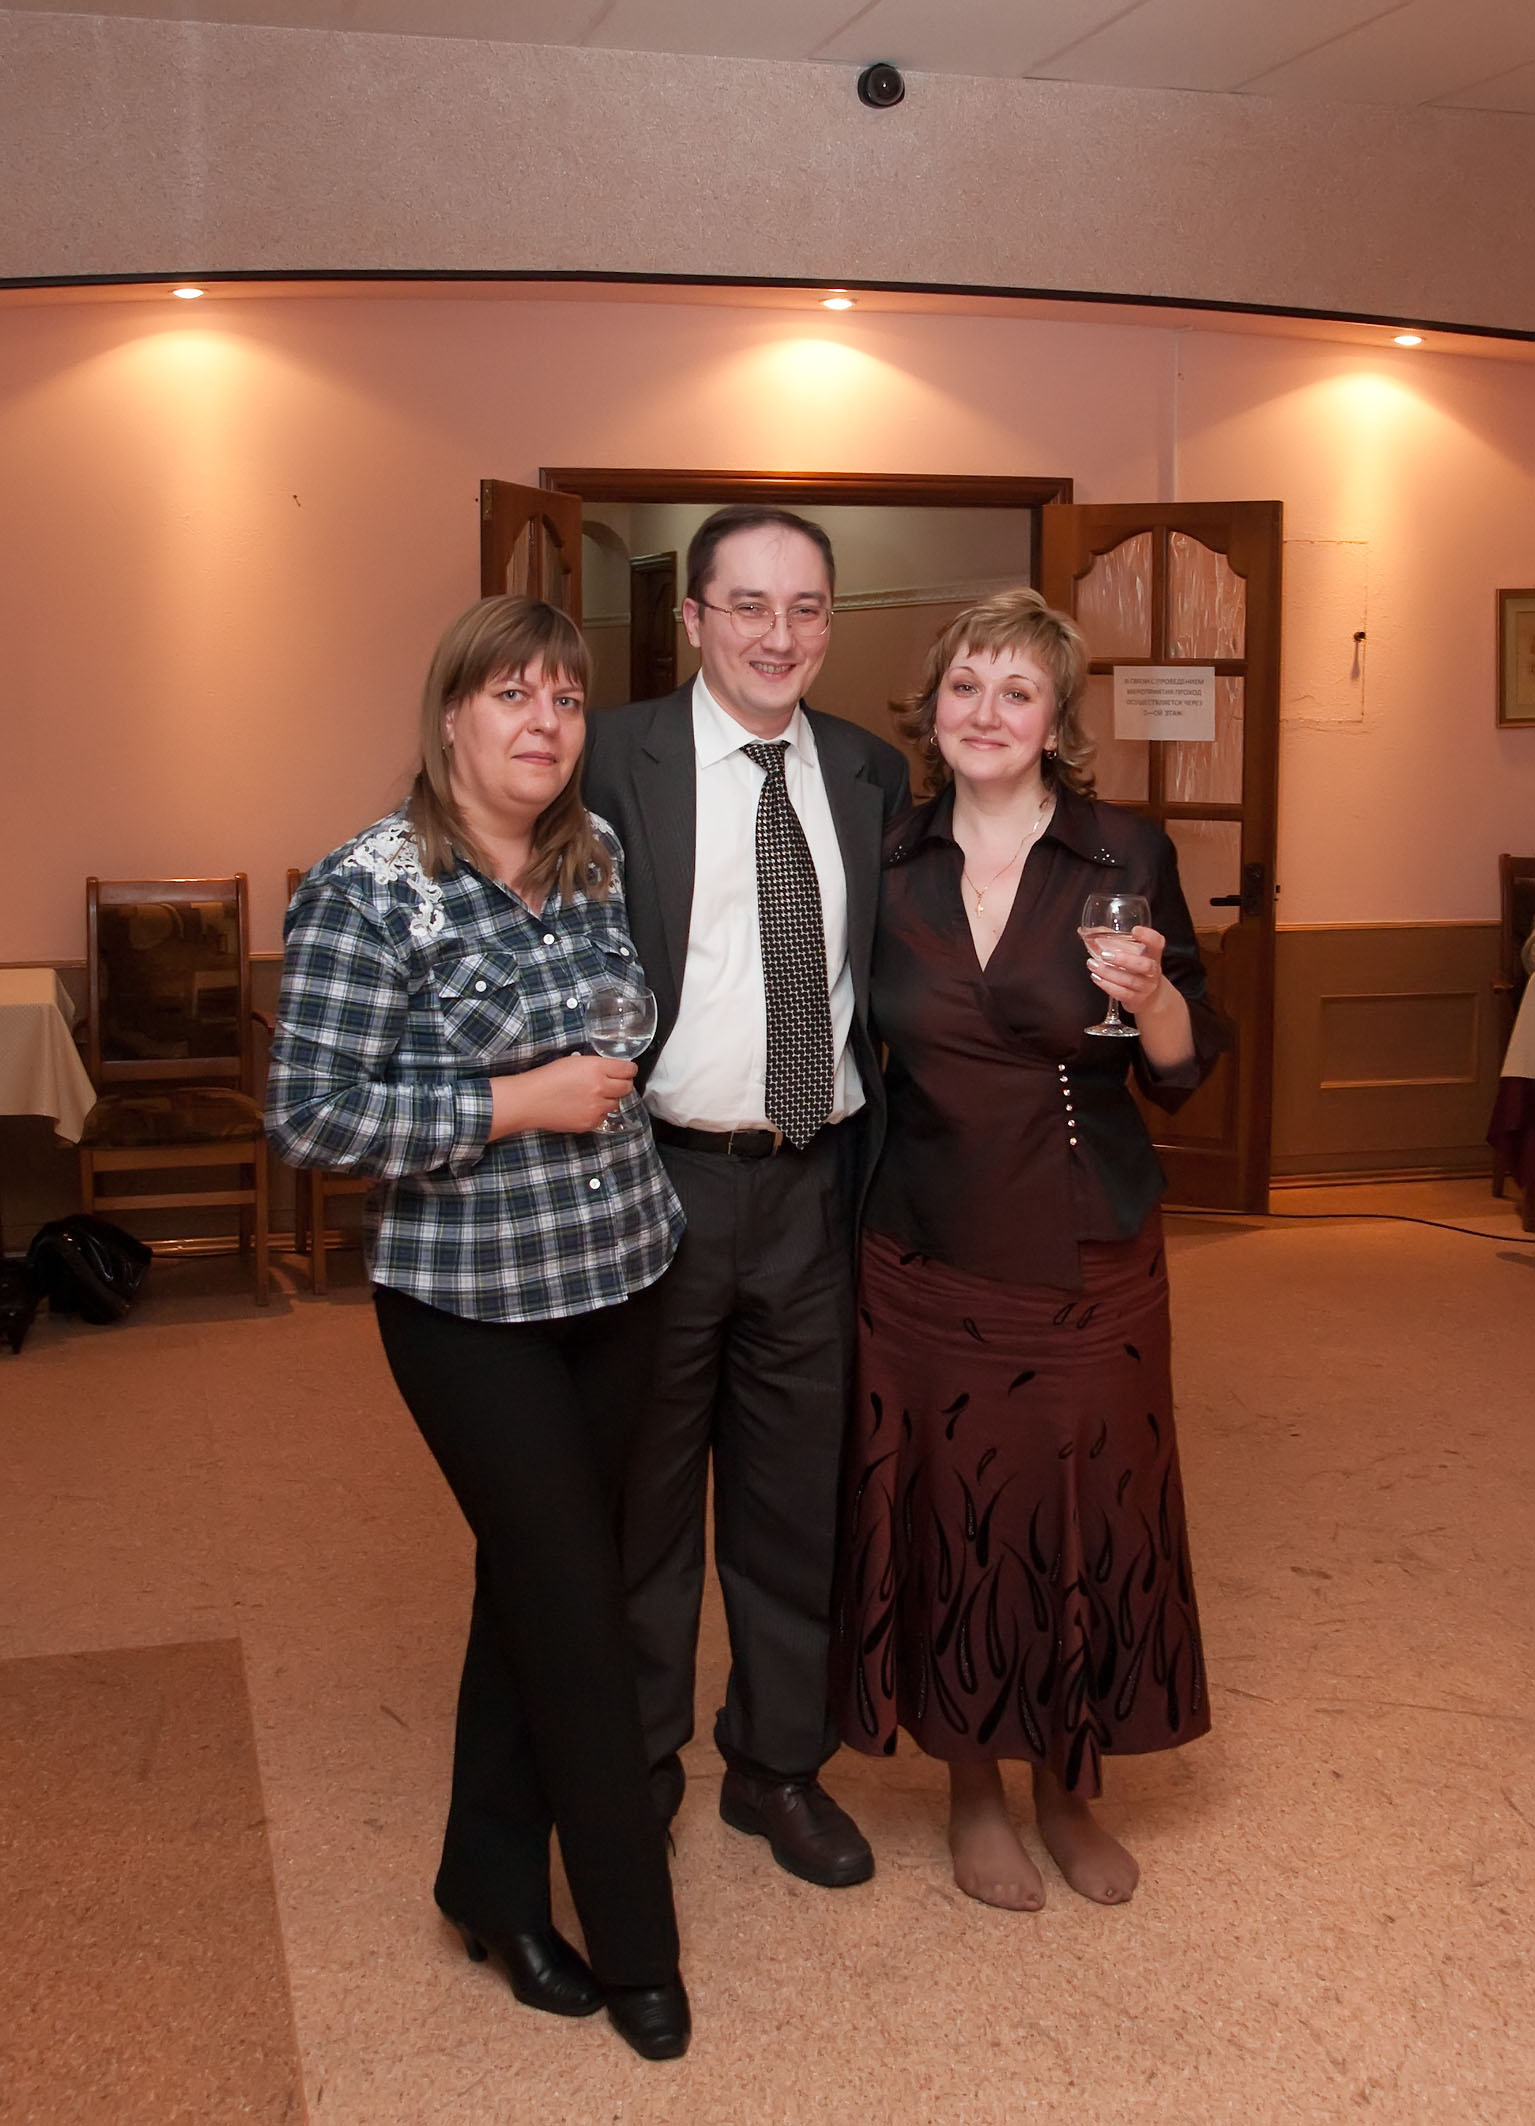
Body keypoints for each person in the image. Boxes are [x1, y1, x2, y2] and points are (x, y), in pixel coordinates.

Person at [265, 595, 690, 2061]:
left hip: (624, 1277)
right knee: (577, 1605)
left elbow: (626, 1036)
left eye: (566, 699)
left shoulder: (595, 856)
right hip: (471, 1309)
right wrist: (516, 1100)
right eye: (514, 694)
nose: (544, 723)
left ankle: (486, 1883)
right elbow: (312, 1116)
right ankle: (638, 1944)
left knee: (531, 1586)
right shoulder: (369, 889)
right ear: (453, 713)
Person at [835, 586, 1228, 1911]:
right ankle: (972, 1788)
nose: (987, 712)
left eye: (1017, 691)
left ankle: (1069, 1786)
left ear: (1056, 720)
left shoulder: (1125, 851)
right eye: (966, 686)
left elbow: (1183, 1063)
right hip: (924, 1246)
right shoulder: (888, 856)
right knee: (956, 1516)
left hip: (1085, 1241)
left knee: (1089, 1513)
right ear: (932, 708)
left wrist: (1156, 996)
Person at [584, 505, 909, 1890]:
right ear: (695, 618)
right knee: (642, 1506)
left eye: (808, 607)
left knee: (794, 1500)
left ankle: (776, 1766)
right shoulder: (611, 756)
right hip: (653, 1182)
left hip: (812, 1191)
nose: (781, 635)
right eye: (750, 605)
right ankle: (640, 1765)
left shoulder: (873, 773)